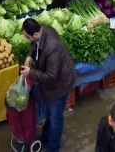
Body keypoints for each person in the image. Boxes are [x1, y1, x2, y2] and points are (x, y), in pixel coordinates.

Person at [21, 18, 76, 152]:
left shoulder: (52, 48)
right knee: (50, 113)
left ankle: (53, 148)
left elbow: (51, 76)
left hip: (60, 85)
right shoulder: (42, 30)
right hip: (51, 84)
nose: (28, 40)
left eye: (28, 37)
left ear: (35, 34)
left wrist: (31, 72)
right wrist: (30, 56)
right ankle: (45, 137)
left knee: (56, 118)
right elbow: (35, 46)